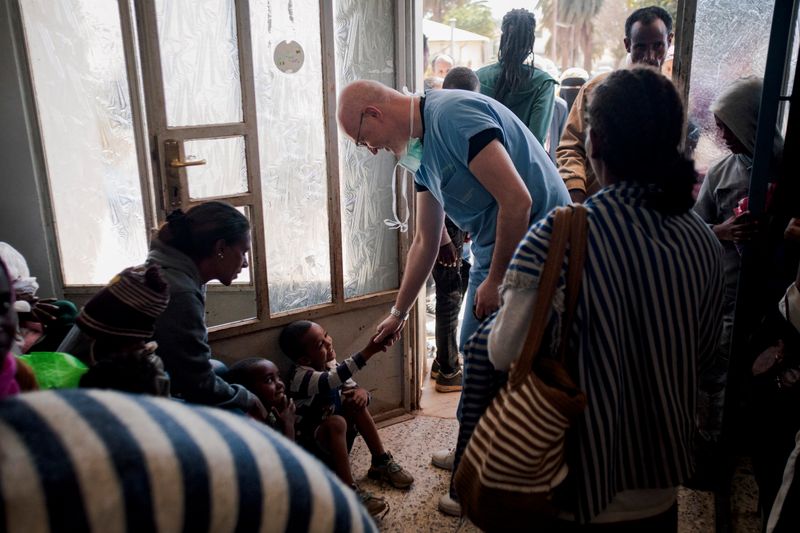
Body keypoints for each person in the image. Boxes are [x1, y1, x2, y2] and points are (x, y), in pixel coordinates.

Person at [485, 67, 724, 527]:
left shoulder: (559, 237)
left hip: (576, 486)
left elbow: (505, 352)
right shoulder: (704, 242)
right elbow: (707, 352)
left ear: (592, 144)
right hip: (660, 489)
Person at [337, 77, 569, 514]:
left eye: (361, 138)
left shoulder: (453, 116)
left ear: (374, 114)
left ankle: (475, 479)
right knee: (471, 348)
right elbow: (426, 241)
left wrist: (497, 280)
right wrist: (400, 312)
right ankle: (471, 444)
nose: (367, 149)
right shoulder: (418, 153)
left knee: (486, 356)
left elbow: (517, 201)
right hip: (494, 246)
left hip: (538, 244)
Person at [694, 77, 782, 443]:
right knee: (717, 375)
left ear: (752, 122)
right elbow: (693, 232)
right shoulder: (721, 172)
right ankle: (712, 444)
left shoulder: (786, 170)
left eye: (728, 124)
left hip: (772, 303)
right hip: (725, 299)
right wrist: (723, 231)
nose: (721, 133)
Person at [146, 201, 267, 420]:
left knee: (218, 368)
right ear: (220, 248)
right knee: (240, 414)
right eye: (243, 252)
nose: (246, 264)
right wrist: (248, 399)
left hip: (139, 376)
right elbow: (197, 382)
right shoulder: (178, 291)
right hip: (114, 397)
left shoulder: (174, 270)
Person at [281, 320, 413, 517]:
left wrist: (362, 393)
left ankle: (380, 461)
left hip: (336, 441)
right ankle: (347, 491)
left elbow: (350, 385)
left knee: (354, 402)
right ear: (304, 360)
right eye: (320, 345)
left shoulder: (329, 363)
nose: (328, 342)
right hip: (312, 449)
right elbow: (330, 380)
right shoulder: (300, 377)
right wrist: (369, 350)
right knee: (337, 422)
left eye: (326, 335)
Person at [557, 6, 674, 203]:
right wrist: (576, 193)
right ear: (628, 45)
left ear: (669, 41)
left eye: (657, 46)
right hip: (593, 207)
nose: (650, 56)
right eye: (640, 47)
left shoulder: (672, 99)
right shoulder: (597, 88)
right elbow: (571, 146)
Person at [426, 66, 480, 392]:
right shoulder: (437, 123)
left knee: (453, 290)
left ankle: (442, 361)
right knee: (449, 295)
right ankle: (448, 369)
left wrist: (467, 220)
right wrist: (445, 239)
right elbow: (431, 187)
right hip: (442, 226)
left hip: (454, 224)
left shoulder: (448, 119)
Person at [476, 8, 558, 145]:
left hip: (480, 162)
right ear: (530, 41)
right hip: (522, 164)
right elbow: (537, 138)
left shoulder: (478, 77)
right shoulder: (543, 83)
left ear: (503, 37)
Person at [226, 357, 296, 440]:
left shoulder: (270, 412)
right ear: (248, 390)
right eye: (269, 380)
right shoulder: (253, 426)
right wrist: (288, 424)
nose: (280, 384)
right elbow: (285, 451)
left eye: (279, 377)